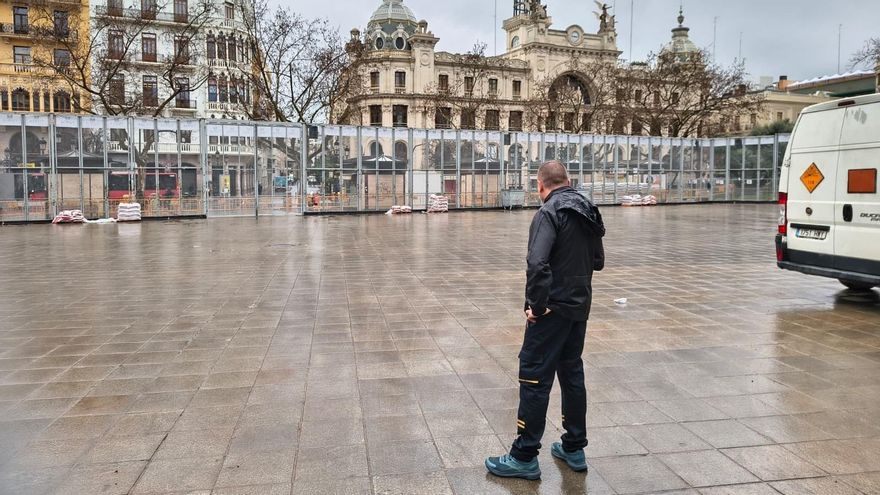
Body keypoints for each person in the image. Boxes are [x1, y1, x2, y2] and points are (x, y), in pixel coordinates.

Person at [486, 160, 605, 480]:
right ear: (568, 180)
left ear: (540, 186)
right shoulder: (588, 210)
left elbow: (537, 264)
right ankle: (574, 446)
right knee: (572, 372)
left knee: (535, 375)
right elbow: (598, 261)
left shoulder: (549, 213)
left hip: (551, 311)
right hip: (579, 307)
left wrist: (536, 307)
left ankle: (524, 455)